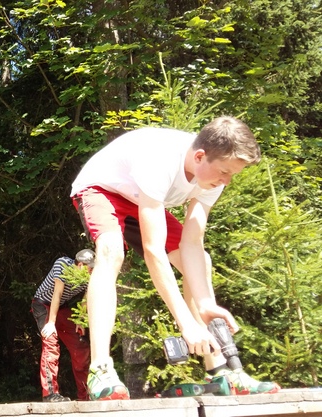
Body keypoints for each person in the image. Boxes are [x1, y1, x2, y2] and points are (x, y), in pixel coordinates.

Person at [70, 116, 280, 401]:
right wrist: (186, 323)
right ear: (199, 156)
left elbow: (191, 243)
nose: (226, 181)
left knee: (201, 262)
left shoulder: (214, 176)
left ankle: (219, 370)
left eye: (232, 174)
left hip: (141, 197)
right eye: (224, 172)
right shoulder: (160, 161)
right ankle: (101, 369)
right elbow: (153, 250)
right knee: (111, 250)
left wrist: (204, 305)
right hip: (101, 189)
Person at [31, 249, 94, 402]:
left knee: (80, 345)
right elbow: (57, 294)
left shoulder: (89, 275)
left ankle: (85, 396)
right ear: (80, 265)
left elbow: (86, 297)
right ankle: (50, 394)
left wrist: (80, 319)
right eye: (90, 268)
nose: (92, 271)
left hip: (61, 307)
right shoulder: (62, 264)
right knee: (50, 343)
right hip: (43, 304)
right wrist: (51, 323)